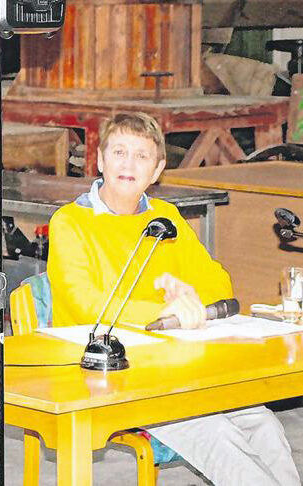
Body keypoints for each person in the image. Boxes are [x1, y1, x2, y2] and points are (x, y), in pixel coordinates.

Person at [47, 112, 300, 485]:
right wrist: (163, 311)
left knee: (262, 422)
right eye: (118, 152)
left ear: (157, 170)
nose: (128, 164)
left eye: (141, 156)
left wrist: (190, 295)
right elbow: (85, 303)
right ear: (99, 160)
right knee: (219, 435)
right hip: (109, 372)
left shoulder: (165, 218)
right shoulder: (70, 222)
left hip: (175, 366)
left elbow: (219, 283)